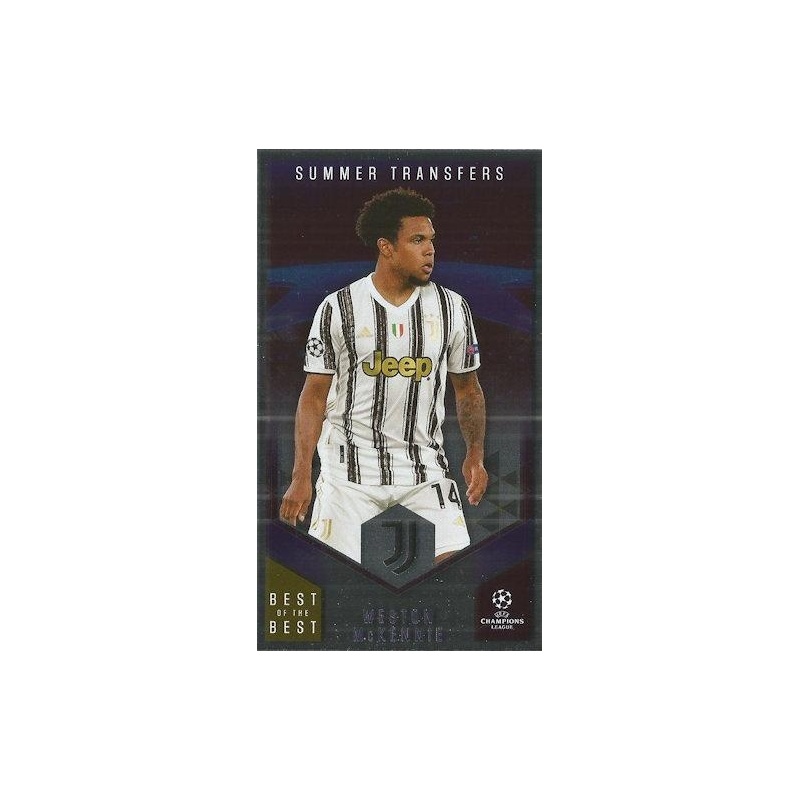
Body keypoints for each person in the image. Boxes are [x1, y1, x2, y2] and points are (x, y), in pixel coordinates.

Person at [279, 187, 488, 565]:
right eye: (417, 240)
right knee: (336, 580)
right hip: (348, 476)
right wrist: (301, 475)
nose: (430, 250)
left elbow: (468, 388)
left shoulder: (452, 308)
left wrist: (475, 453)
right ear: (386, 247)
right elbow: (313, 396)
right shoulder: (338, 308)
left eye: (432, 240)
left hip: (424, 472)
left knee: (456, 574)